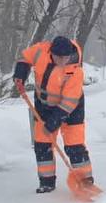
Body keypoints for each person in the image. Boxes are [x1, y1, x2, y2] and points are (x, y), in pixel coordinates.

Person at [13, 35, 94, 194]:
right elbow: (25, 58)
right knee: (42, 144)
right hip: (43, 105)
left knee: (74, 145)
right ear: (51, 52)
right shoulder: (40, 51)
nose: (62, 61)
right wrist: (20, 74)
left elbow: (69, 103)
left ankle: (86, 182)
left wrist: (54, 122)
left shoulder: (75, 71)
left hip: (71, 109)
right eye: (58, 57)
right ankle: (47, 182)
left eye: (66, 57)